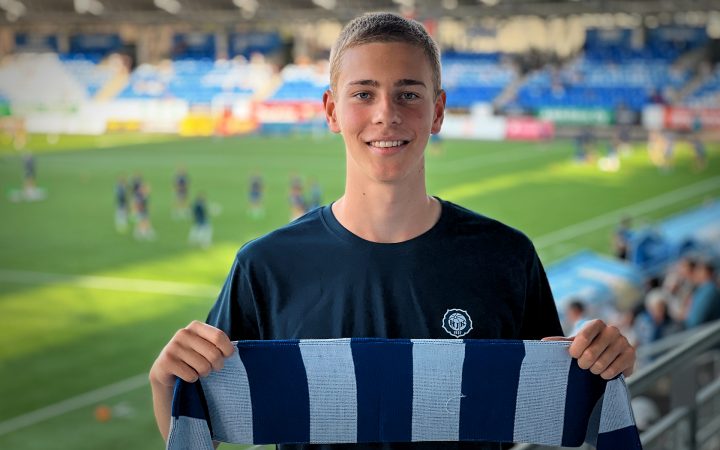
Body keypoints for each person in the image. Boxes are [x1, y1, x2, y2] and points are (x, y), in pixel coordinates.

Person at [150, 13, 636, 449]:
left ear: (438, 109)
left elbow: (553, 411)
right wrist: (164, 384)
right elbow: (199, 430)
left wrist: (600, 362)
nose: (387, 113)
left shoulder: (505, 256)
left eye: (408, 93)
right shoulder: (266, 267)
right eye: (363, 93)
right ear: (332, 110)